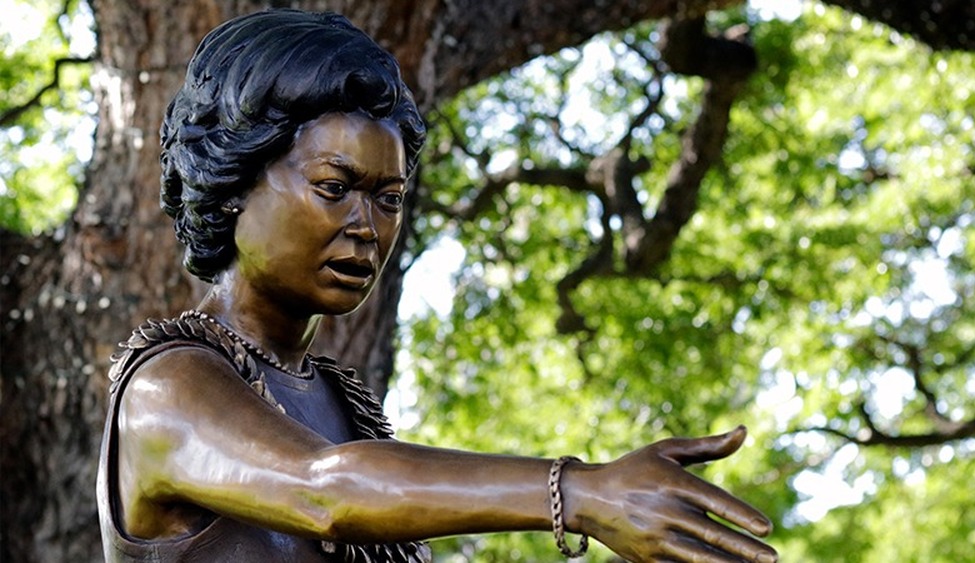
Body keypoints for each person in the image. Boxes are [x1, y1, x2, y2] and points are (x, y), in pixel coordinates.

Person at [96, 9, 779, 563]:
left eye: (388, 198)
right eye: (334, 188)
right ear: (231, 187)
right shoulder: (170, 386)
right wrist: (577, 490)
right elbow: (326, 489)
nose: (366, 226)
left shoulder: (337, 398)